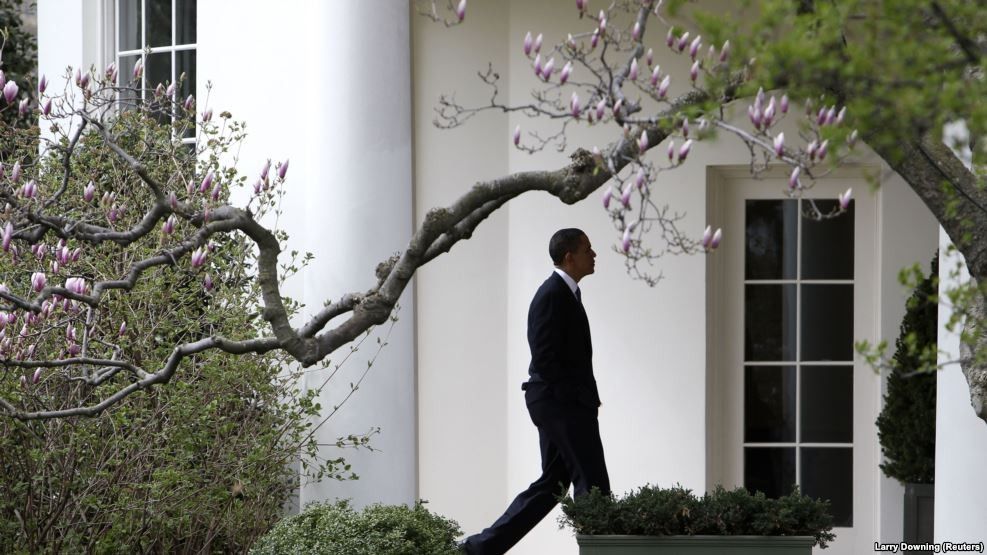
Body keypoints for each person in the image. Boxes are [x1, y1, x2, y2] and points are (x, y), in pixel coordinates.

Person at [461, 228, 611, 555]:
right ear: (569, 257)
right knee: (592, 482)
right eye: (587, 249)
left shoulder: (566, 293)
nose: (594, 254)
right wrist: (577, 397)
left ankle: (477, 549)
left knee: (552, 485)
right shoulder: (552, 294)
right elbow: (543, 355)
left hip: (559, 402)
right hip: (559, 404)